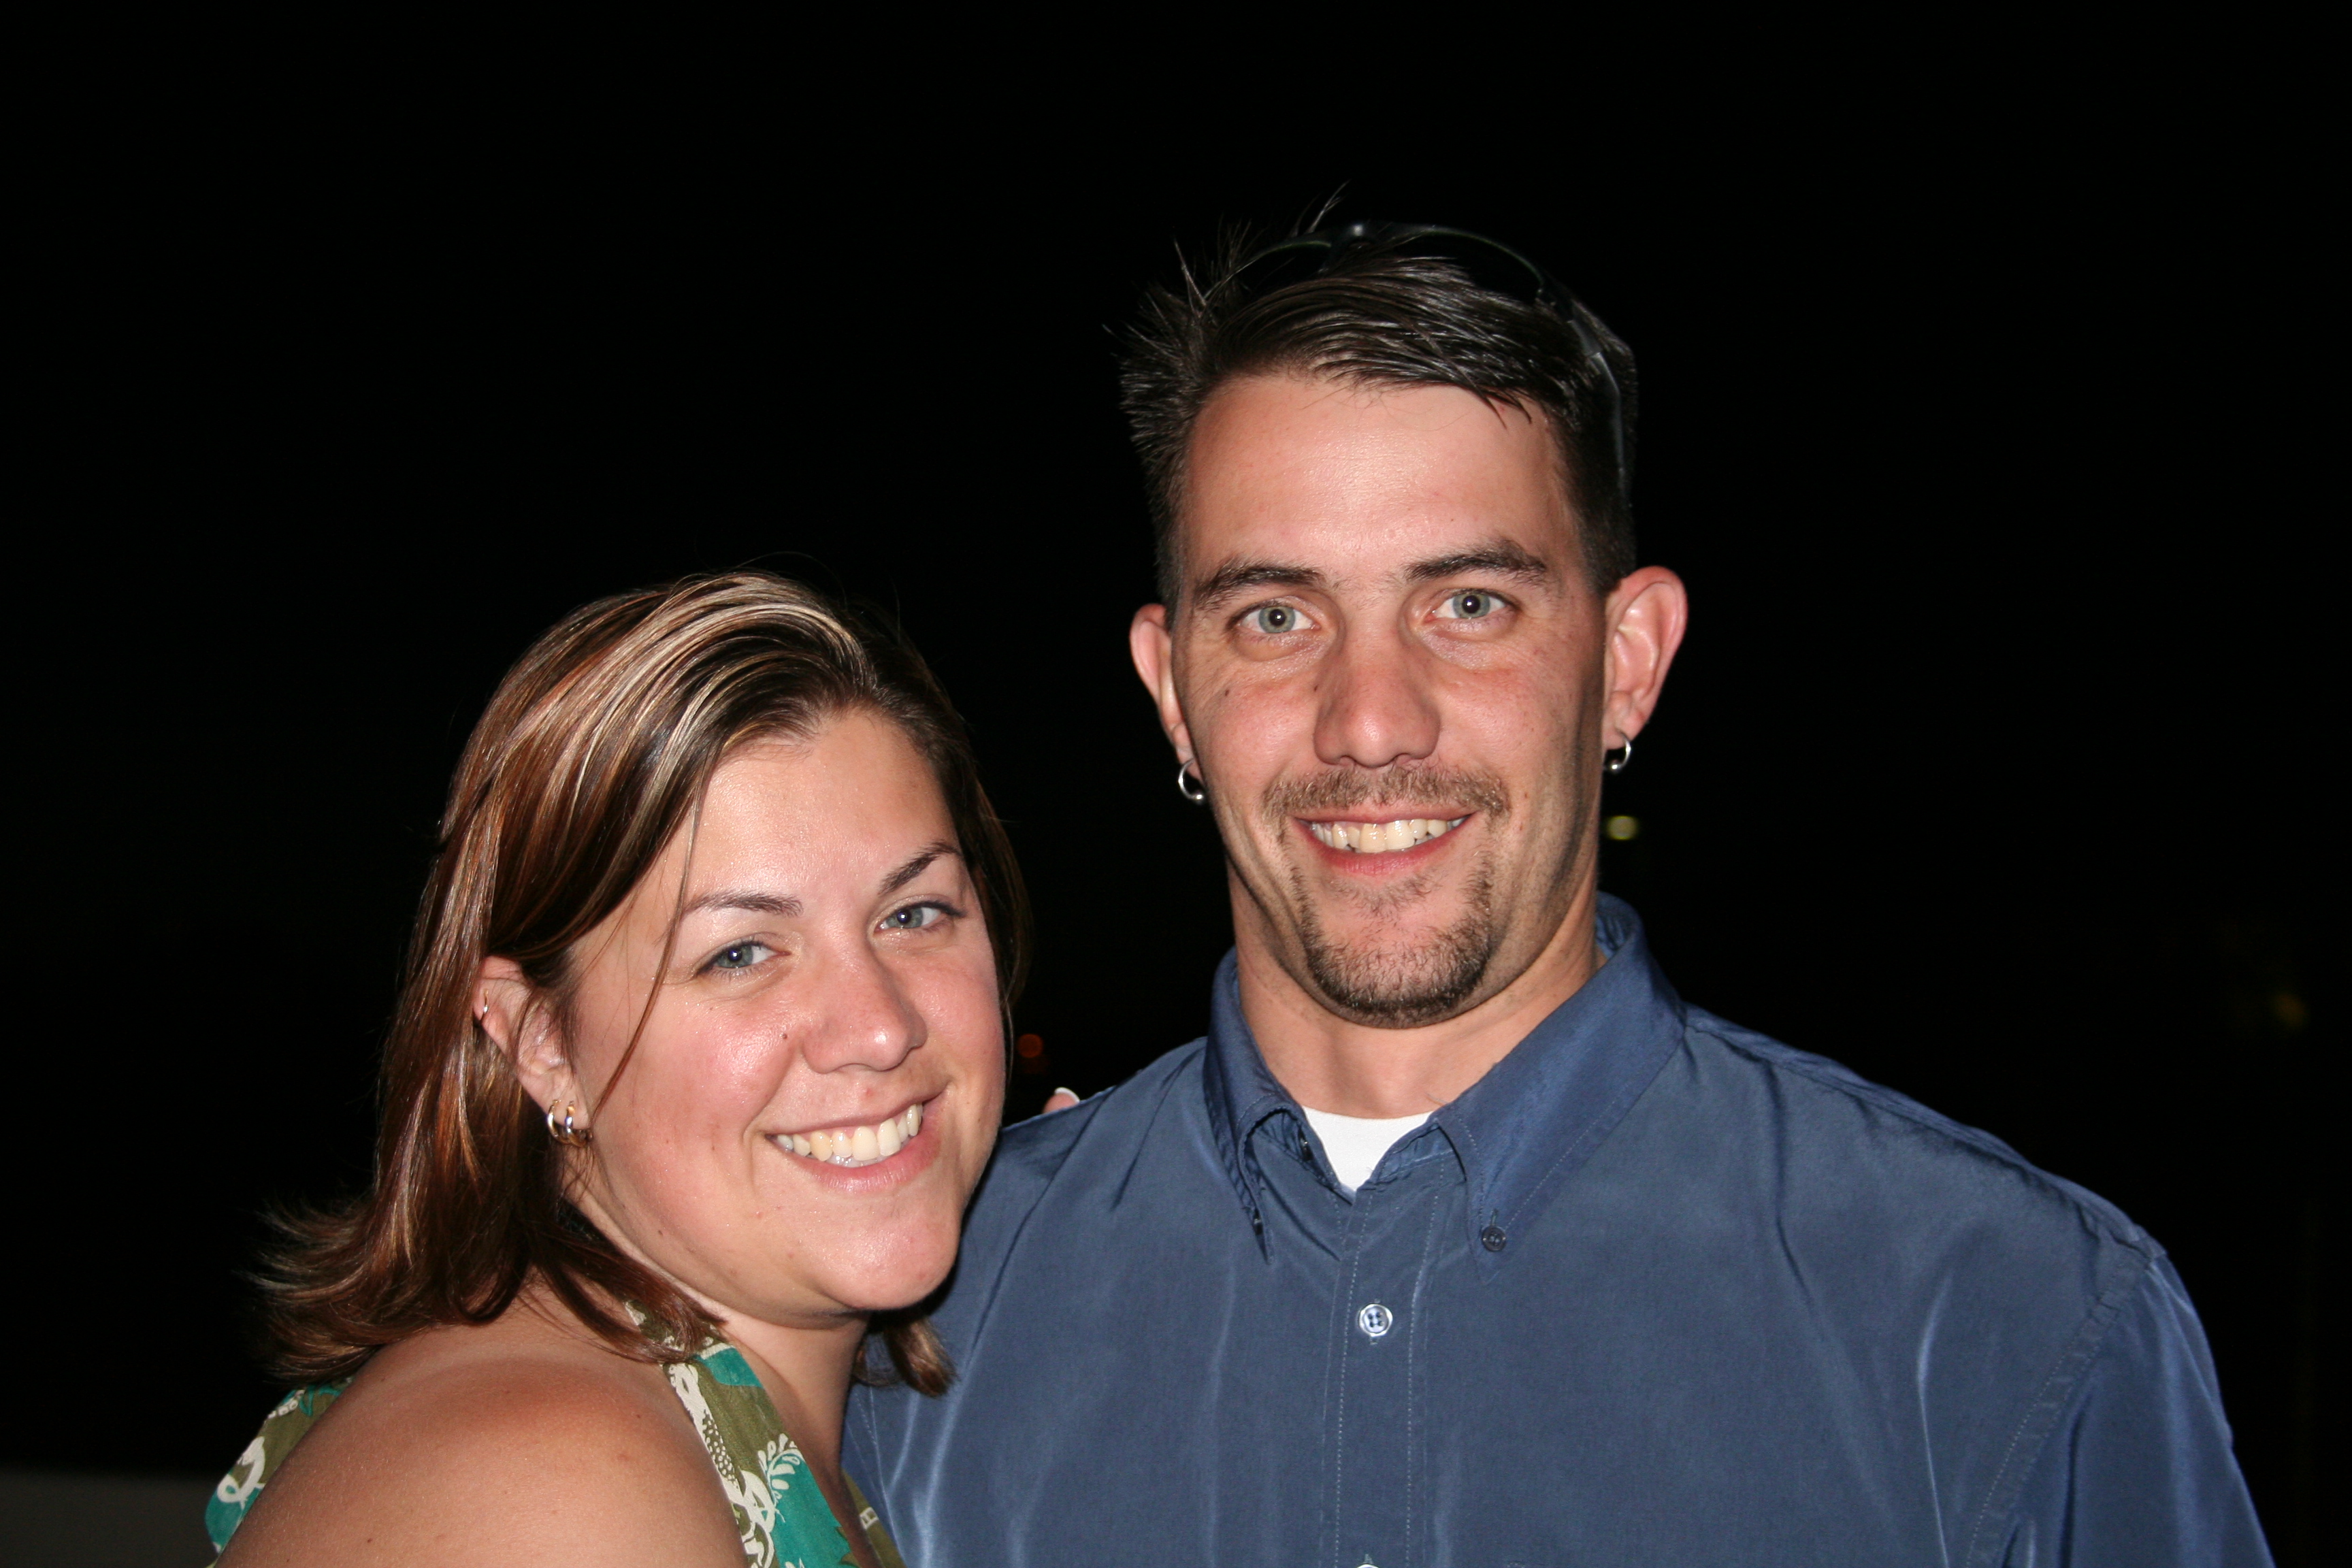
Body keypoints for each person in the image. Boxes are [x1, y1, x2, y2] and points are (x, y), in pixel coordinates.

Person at [846, 225, 2274, 1564]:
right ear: (1172, 689)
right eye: (1277, 616)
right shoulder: (919, 1330)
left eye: (1469, 605)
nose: (1370, 722)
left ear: (1629, 659)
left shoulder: (2010, 1320)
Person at [209, 572, 1024, 1567]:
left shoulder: (695, 1428)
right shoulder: (554, 1490)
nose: (881, 1029)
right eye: (740, 953)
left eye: (913, 913)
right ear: (543, 1044)